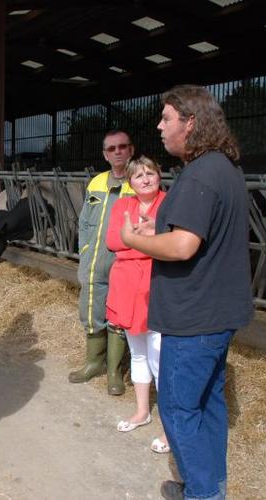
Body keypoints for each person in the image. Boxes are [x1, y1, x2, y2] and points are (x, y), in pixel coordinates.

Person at [120, 85, 252, 500]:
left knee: (178, 409)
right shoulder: (222, 169)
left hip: (193, 318)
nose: (159, 127)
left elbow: (183, 246)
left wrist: (133, 238)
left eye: (167, 118)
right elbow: (191, 231)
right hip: (218, 314)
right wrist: (156, 228)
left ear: (191, 123)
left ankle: (201, 495)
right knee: (209, 403)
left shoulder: (198, 174)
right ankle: (210, 486)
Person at [105, 155, 169, 454]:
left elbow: (173, 242)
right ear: (130, 182)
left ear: (159, 175)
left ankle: (172, 428)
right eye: (138, 175)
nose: (145, 178)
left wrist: (135, 237)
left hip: (157, 285)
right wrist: (148, 238)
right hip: (128, 285)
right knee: (139, 353)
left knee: (161, 357)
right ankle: (142, 412)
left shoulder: (169, 203)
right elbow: (112, 241)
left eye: (150, 172)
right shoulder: (122, 205)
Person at [70, 130, 136, 395]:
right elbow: (84, 221)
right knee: (91, 309)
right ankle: (93, 363)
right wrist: (84, 250)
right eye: (111, 149)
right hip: (95, 259)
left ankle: (114, 372)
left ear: (131, 150)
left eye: (122, 147)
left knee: (118, 314)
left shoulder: (139, 182)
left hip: (124, 262)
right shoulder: (96, 182)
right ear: (105, 154)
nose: (117, 152)